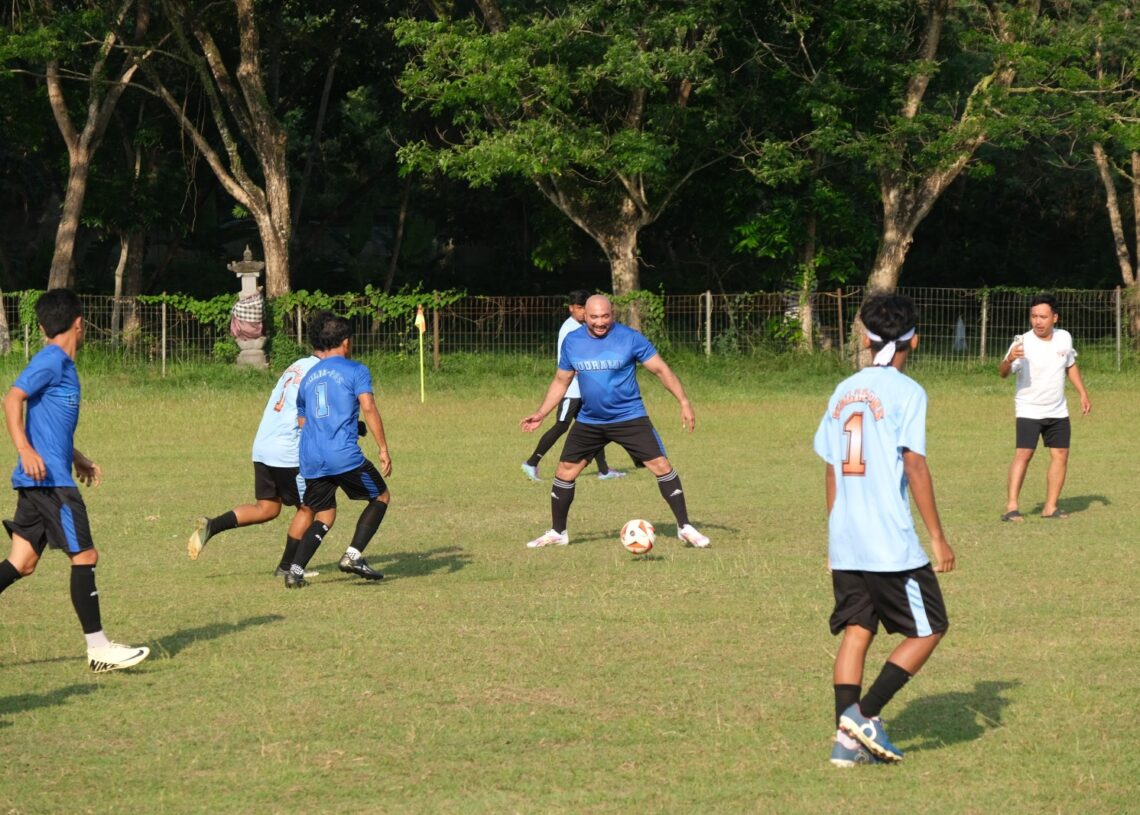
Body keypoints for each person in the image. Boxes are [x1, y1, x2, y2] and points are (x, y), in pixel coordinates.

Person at [812, 293, 954, 766]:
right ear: (913, 337)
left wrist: (835, 529)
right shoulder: (908, 392)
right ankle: (865, 716)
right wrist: (936, 536)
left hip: (846, 536)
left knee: (857, 629)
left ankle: (845, 745)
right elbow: (914, 464)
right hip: (889, 542)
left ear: (866, 337)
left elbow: (832, 467)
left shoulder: (843, 389)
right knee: (931, 627)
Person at [0, 289, 149, 673]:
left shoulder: (62, 364)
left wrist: (77, 456)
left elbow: (50, 424)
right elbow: (12, 398)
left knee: (22, 563)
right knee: (85, 555)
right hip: (49, 482)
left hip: (44, 478)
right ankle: (99, 649)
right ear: (80, 323)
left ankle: (99, 647)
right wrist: (25, 451)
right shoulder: (52, 361)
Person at [520, 294, 709, 549]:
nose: (600, 322)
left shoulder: (630, 338)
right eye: (594, 317)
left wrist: (684, 402)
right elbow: (561, 381)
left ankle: (685, 527)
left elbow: (661, 369)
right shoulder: (572, 342)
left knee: (661, 465)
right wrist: (542, 413)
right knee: (565, 471)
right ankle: (557, 532)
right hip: (590, 420)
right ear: (584, 315)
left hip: (629, 416)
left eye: (605, 316)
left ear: (613, 314)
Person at [187, 351, 322, 578]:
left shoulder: (296, 364)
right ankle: (287, 567)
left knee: (267, 508)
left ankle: (213, 525)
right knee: (309, 507)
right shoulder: (319, 372)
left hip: (263, 445)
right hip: (287, 449)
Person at [282, 312, 393, 588]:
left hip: (311, 456)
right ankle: (353, 556)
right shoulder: (356, 370)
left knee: (325, 514)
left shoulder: (308, 377)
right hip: (342, 455)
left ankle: (295, 571)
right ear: (346, 342)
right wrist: (383, 449)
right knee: (380, 496)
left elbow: (303, 421)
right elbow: (368, 407)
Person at [998, 293, 1091, 521]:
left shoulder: (1064, 338)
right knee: (1024, 454)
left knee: (1060, 454)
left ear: (1055, 318)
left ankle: (1050, 507)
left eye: (1043, 316)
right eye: (1034, 316)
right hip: (1029, 409)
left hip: (1058, 410)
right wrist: (1009, 359)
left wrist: (1082, 393)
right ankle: (1011, 507)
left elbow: (1070, 365)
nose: (1038, 321)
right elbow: (1002, 374)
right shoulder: (1022, 343)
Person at [522, 290, 626, 482]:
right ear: (571, 308)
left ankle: (603, 471)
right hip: (571, 391)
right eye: (579, 308)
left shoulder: (585, 328)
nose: (581, 312)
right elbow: (569, 363)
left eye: (584, 308)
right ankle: (531, 463)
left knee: (594, 427)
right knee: (561, 426)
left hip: (584, 391)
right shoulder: (570, 329)